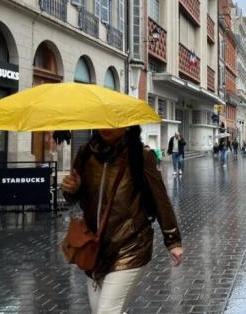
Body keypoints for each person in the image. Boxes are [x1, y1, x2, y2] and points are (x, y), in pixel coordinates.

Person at [61, 126, 183, 314]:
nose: (107, 127)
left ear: (127, 125)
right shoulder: (86, 153)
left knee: (107, 311)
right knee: (99, 309)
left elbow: (160, 199)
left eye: (115, 122)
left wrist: (172, 240)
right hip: (95, 247)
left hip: (131, 244)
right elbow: (74, 196)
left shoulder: (141, 155)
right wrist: (72, 189)